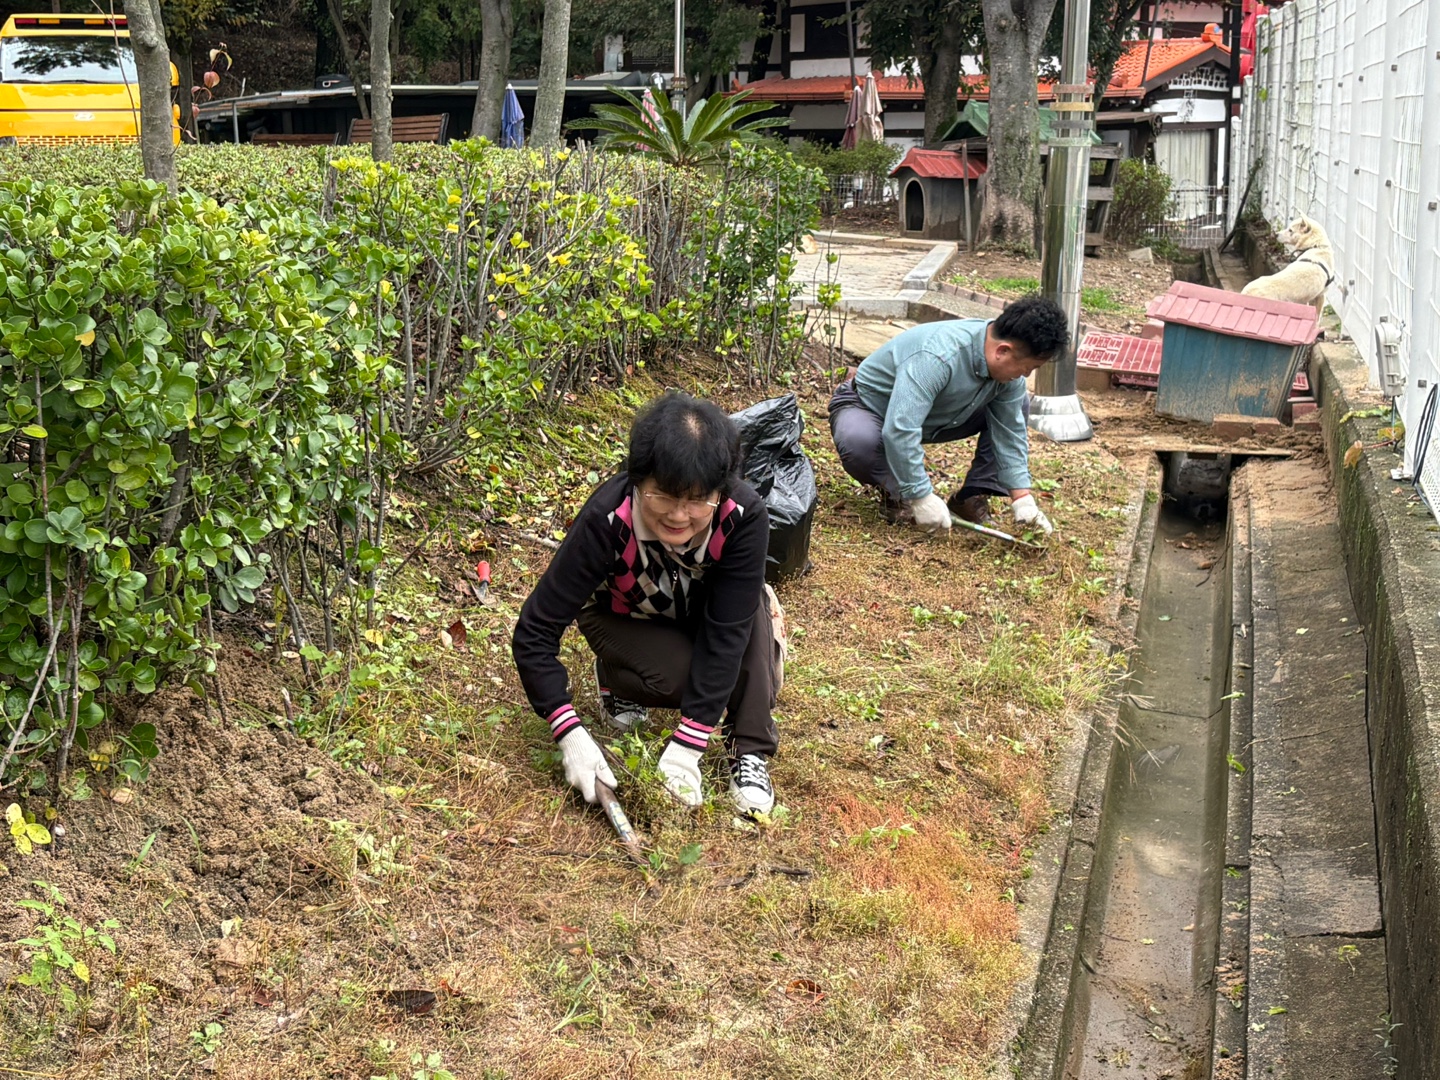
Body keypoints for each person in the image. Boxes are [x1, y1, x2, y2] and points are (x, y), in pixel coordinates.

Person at [512, 391, 779, 815]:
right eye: (664, 496)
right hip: (622, 614)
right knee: (681, 680)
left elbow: (727, 633)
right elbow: (534, 631)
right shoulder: (607, 518)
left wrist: (687, 748)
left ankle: (748, 750)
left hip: (701, 613)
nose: (679, 515)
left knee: (748, 625)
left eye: (697, 500)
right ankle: (615, 679)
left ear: (720, 491)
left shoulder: (742, 517)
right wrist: (570, 733)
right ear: (638, 480)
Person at [827, 294, 1068, 536]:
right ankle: (899, 495)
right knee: (859, 441)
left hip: (935, 417)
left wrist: (1022, 498)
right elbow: (900, 428)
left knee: (1019, 403)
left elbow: (1009, 431)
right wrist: (920, 495)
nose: (1026, 375)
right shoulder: (936, 357)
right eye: (1029, 368)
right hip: (870, 408)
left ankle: (971, 497)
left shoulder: (1007, 371)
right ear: (1003, 351)